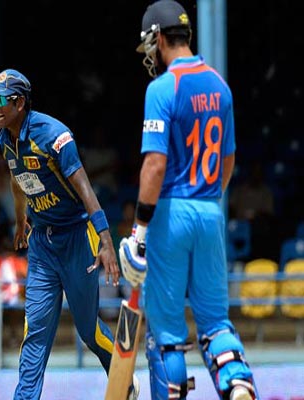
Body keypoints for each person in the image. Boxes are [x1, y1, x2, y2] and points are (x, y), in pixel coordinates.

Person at [119, 1, 259, 399]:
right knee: (215, 322)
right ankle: (237, 384)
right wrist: (207, 199)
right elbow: (228, 159)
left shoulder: (162, 88)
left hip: (170, 214)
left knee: (166, 332)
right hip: (210, 210)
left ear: (159, 38)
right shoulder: (220, 85)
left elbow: (154, 165)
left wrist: (139, 232)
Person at [0, 69, 138, 400]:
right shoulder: (5, 140)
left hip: (77, 238)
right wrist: (21, 220)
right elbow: (16, 179)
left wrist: (106, 240)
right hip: (42, 243)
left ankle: (123, 378)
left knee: (88, 331)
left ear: (20, 103)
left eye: (1, 99)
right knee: (35, 332)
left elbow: (84, 186)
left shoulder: (54, 136)